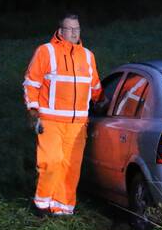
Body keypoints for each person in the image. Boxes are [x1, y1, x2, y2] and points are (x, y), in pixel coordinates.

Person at [22, 13, 102, 216]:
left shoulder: (88, 56)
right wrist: (33, 112)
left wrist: (104, 101)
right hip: (50, 121)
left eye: (77, 29)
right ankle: (41, 206)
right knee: (51, 161)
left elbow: (95, 87)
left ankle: (63, 209)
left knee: (71, 167)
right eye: (70, 29)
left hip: (78, 125)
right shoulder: (46, 51)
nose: (74, 33)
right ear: (60, 31)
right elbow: (31, 83)